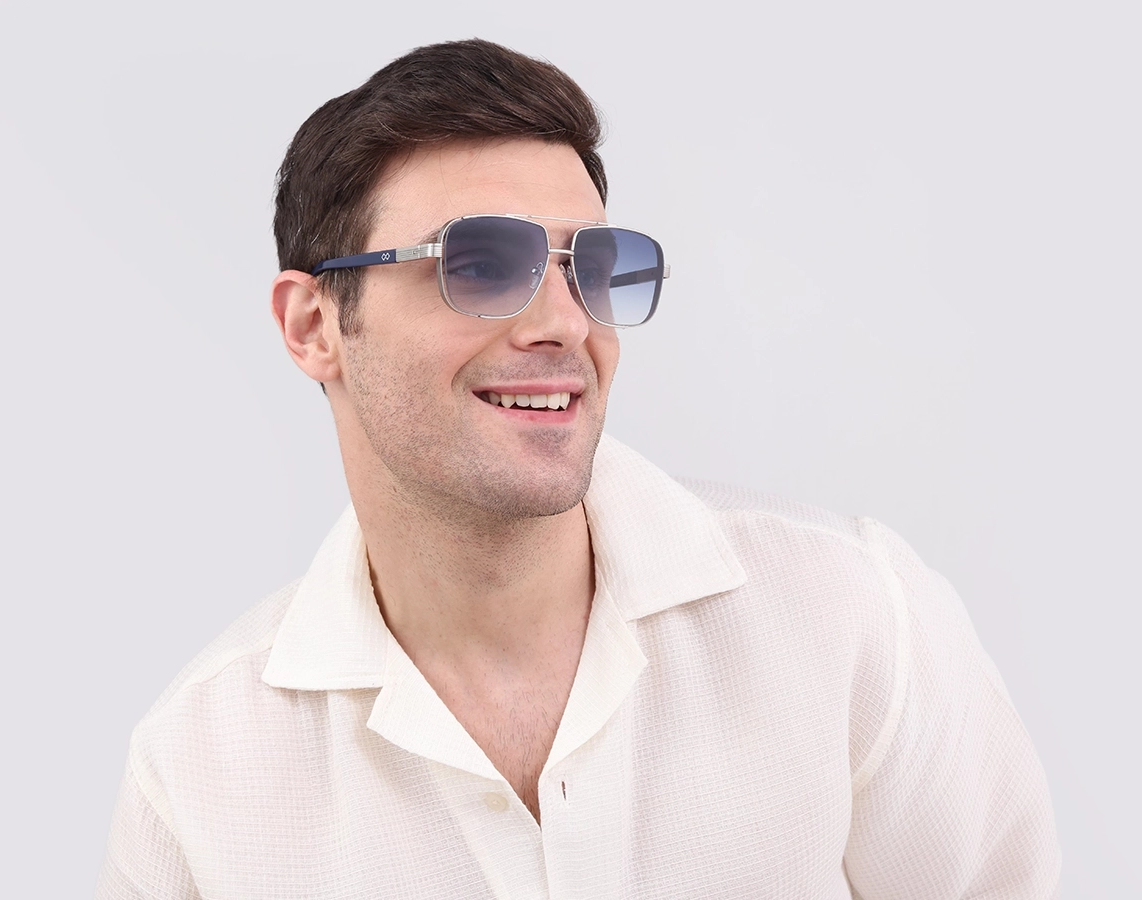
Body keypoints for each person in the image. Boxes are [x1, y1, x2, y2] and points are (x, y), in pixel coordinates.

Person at [96, 38, 1061, 899]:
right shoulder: (198, 779)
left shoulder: (847, 619)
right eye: (479, 265)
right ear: (314, 326)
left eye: (589, 268)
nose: (564, 323)